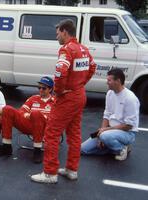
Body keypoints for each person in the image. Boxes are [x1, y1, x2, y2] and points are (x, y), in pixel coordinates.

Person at [31, 19, 96, 184]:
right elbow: (93, 67)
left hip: (67, 98)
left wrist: (59, 91)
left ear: (65, 32)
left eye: (58, 32)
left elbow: (60, 72)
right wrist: (80, 84)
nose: (56, 36)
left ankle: (50, 173)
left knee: (52, 133)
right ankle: (72, 170)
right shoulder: (84, 49)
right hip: (80, 94)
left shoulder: (66, 50)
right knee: (74, 134)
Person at [0, 76, 55, 163]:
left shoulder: (55, 101)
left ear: (50, 89)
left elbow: (57, 118)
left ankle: (37, 150)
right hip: (29, 124)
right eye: (39, 87)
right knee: (7, 109)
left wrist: (39, 116)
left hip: (45, 128)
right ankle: (6, 146)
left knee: (36, 113)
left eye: (43, 88)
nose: (40, 90)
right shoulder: (33, 98)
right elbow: (22, 111)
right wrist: (27, 115)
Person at [81, 69, 139, 160]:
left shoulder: (130, 98)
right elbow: (107, 114)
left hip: (127, 133)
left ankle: (121, 149)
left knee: (105, 136)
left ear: (118, 81)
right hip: (109, 131)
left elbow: (128, 126)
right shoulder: (110, 93)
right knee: (82, 149)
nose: (107, 82)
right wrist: (101, 134)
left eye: (109, 80)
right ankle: (113, 148)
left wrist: (105, 131)